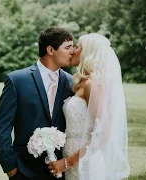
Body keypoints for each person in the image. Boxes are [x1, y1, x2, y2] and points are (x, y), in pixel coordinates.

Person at [0, 26, 74, 180]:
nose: (73, 51)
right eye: (68, 47)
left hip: (62, 171)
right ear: (50, 50)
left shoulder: (71, 82)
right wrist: (11, 168)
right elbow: (1, 128)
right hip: (24, 170)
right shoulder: (16, 80)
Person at [48, 33, 130, 180]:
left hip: (86, 160)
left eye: (77, 46)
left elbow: (103, 133)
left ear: (88, 53)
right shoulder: (80, 83)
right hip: (71, 157)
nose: (72, 50)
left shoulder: (92, 85)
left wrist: (68, 162)